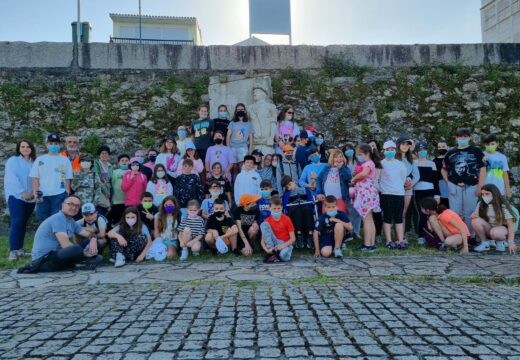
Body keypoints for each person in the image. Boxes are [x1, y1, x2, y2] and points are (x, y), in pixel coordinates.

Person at [27, 195, 98, 272]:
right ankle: (80, 262)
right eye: (70, 204)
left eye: (77, 206)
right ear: (62, 205)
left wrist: (93, 240)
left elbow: (89, 234)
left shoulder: (71, 222)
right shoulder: (58, 218)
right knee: (76, 248)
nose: (74, 208)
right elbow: (66, 245)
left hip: (57, 257)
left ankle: (79, 262)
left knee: (98, 257)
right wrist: (84, 253)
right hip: (43, 260)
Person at [441, 128, 486, 236]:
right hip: (454, 186)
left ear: (469, 138)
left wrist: (480, 186)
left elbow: (483, 169)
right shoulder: (451, 153)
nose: (463, 139)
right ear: (456, 138)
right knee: (454, 214)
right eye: (460, 137)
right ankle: (457, 236)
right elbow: (443, 168)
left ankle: (470, 237)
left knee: (469, 213)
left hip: (472, 186)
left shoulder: (477, 151)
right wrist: (448, 182)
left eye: (465, 137)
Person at [4, 139, 36, 260]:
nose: (25, 149)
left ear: (31, 148)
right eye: (22, 147)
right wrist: (23, 192)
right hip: (16, 196)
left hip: (31, 198)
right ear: (19, 148)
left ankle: (20, 250)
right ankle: (13, 251)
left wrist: (33, 193)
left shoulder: (35, 162)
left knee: (23, 223)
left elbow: (37, 178)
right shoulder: (13, 161)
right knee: (17, 222)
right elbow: (11, 178)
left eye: (28, 147)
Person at [30, 133, 73, 222]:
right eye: (51, 143)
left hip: (60, 195)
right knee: (42, 220)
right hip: (43, 195)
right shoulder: (40, 160)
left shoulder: (65, 160)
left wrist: (67, 192)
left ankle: (56, 236)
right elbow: (35, 178)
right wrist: (35, 193)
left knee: (57, 220)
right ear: (47, 145)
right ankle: (44, 236)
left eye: (56, 144)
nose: (54, 146)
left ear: (60, 145)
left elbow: (68, 178)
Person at [351, 144, 381, 252]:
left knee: (367, 219)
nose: (358, 156)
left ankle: (367, 245)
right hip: (369, 193)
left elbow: (364, 174)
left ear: (367, 154)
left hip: (366, 193)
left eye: (360, 154)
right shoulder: (369, 163)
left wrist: (354, 178)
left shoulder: (368, 163)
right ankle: (371, 244)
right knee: (370, 219)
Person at [378, 141, 407, 249]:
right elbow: (378, 179)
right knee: (387, 217)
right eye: (388, 150)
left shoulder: (400, 164)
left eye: (392, 149)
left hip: (399, 193)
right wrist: (382, 189)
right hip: (386, 193)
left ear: (395, 151)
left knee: (399, 217)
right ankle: (389, 241)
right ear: (384, 151)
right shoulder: (381, 164)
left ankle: (400, 240)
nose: (390, 152)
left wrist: (399, 188)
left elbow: (403, 178)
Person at [472, 184, 517, 254]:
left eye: (487, 194)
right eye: (483, 194)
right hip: (489, 229)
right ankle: (485, 243)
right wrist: (474, 215)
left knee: (495, 232)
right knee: (475, 221)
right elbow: (476, 217)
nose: (484, 196)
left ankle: (502, 242)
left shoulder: (502, 205)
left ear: (494, 194)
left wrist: (511, 242)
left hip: (501, 230)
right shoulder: (481, 204)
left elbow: (510, 225)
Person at [414, 142, 441, 245]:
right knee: (422, 214)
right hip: (418, 191)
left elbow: (435, 181)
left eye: (424, 149)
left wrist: (437, 194)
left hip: (430, 191)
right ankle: (420, 236)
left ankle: (432, 235)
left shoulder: (431, 163)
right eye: (420, 150)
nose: (422, 152)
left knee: (431, 214)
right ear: (416, 152)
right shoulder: (414, 163)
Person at [281, 176, 315, 249]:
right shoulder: (287, 193)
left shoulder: (305, 190)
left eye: (290, 185)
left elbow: (310, 201)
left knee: (307, 210)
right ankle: (299, 235)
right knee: (296, 210)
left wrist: (311, 207)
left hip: (305, 206)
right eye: (287, 187)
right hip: (293, 209)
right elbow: (285, 205)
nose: (289, 188)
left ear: (293, 181)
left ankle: (310, 235)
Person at [395, 136, 420, 235]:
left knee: (404, 213)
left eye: (407, 144)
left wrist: (411, 185)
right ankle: (395, 235)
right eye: (403, 144)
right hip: (395, 188)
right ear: (398, 145)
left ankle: (401, 236)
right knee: (396, 212)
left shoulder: (411, 160)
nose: (405, 146)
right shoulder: (394, 158)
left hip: (407, 189)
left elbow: (417, 175)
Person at [260, 196, 296, 263]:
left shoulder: (287, 219)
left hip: (285, 243)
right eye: (274, 208)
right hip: (273, 243)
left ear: (282, 208)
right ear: (269, 208)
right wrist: (267, 250)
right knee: (264, 224)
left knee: (283, 256)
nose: (276, 210)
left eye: (278, 208)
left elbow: (293, 239)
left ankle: (276, 255)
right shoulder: (267, 220)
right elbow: (262, 240)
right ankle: (272, 252)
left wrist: (283, 246)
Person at [227, 103, 254, 177]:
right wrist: (228, 147)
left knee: (242, 168)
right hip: (233, 147)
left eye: (242, 109)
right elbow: (228, 136)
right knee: (234, 169)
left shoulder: (248, 123)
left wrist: (250, 150)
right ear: (236, 111)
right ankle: (234, 187)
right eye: (238, 109)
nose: (240, 111)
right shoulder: (232, 123)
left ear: (244, 111)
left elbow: (251, 137)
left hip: (243, 148)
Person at [483, 134, 511, 198]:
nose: (490, 146)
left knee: (500, 207)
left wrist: (508, 189)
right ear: (484, 145)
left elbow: (505, 174)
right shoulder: (481, 156)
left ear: (497, 144)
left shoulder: (502, 157)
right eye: (487, 144)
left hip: (500, 190)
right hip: (485, 190)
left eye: (492, 144)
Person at [107, 154, 129, 227]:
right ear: (119, 163)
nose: (124, 162)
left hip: (128, 202)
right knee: (117, 220)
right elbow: (112, 184)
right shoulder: (115, 172)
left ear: (129, 162)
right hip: (117, 201)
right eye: (122, 161)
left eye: (126, 160)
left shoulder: (132, 172)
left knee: (127, 221)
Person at [92, 145, 113, 216]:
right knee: (99, 209)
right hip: (99, 190)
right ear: (99, 155)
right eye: (102, 153)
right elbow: (96, 178)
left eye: (106, 153)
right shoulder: (96, 164)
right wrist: (105, 190)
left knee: (106, 210)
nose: (104, 155)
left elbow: (111, 179)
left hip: (108, 190)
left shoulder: (110, 166)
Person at [433, 140, 450, 208]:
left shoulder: (451, 159)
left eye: (443, 146)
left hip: (451, 183)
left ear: (447, 147)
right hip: (440, 185)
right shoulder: (434, 161)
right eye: (439, 147)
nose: (441, 148)